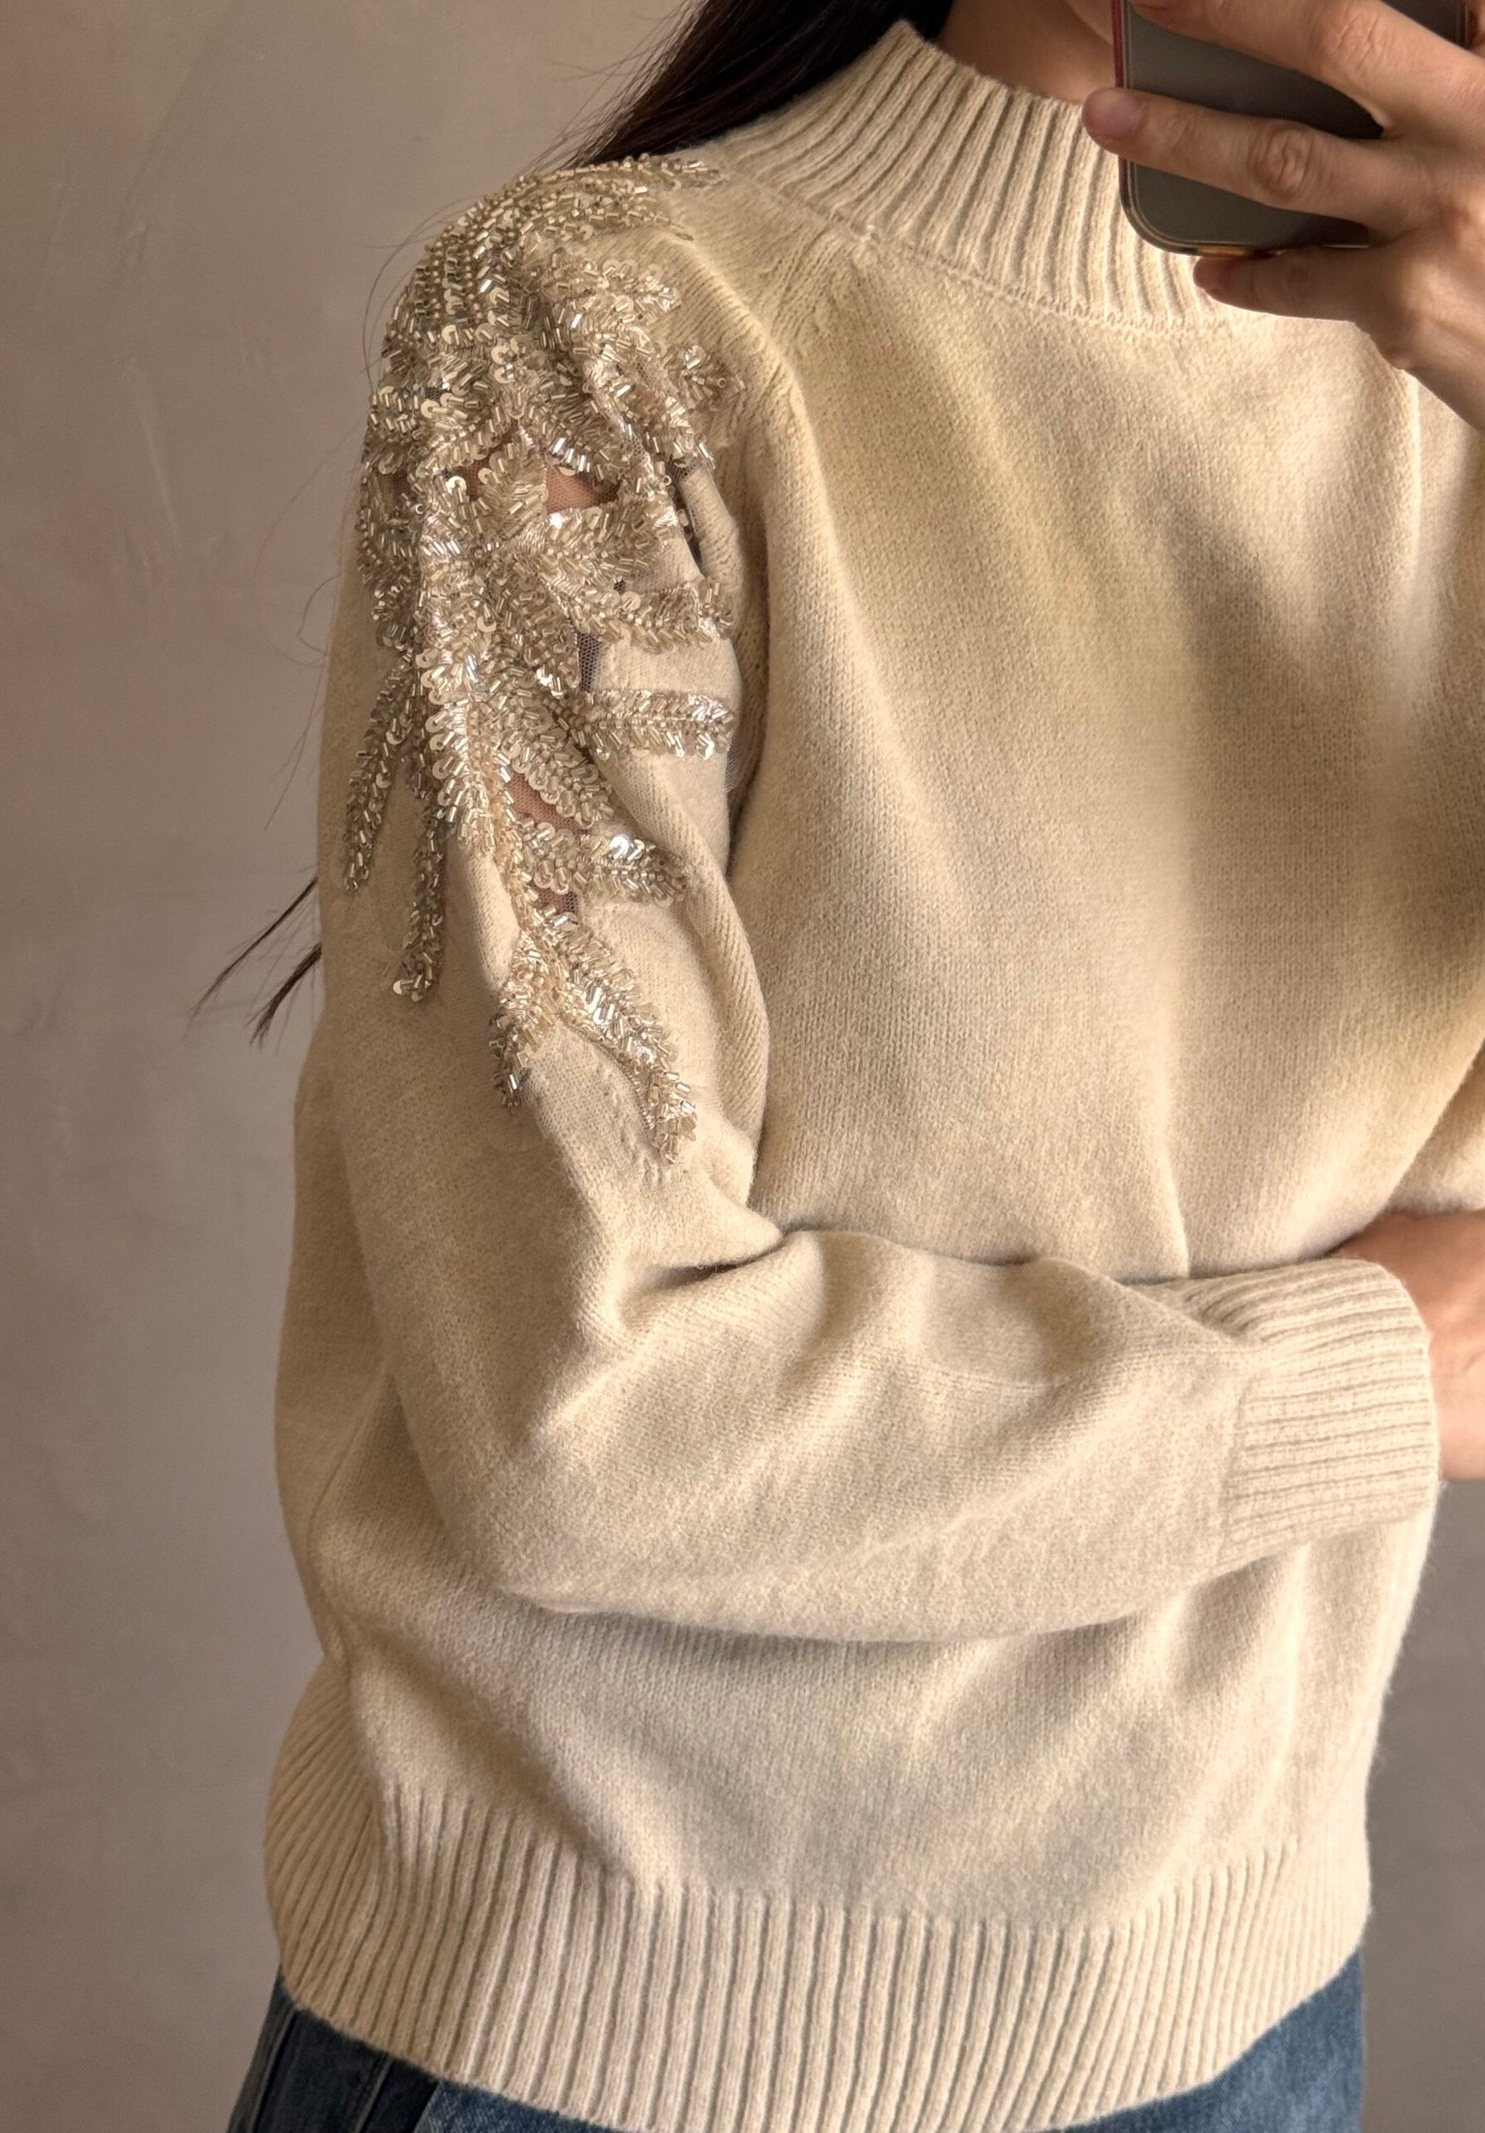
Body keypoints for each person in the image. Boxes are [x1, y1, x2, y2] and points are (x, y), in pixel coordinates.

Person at [206, 3, 1485, 2128]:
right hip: (605, 2034)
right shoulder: (604, 330)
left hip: (1240, 2010)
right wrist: (1369, 1370)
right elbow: (583, 1418)